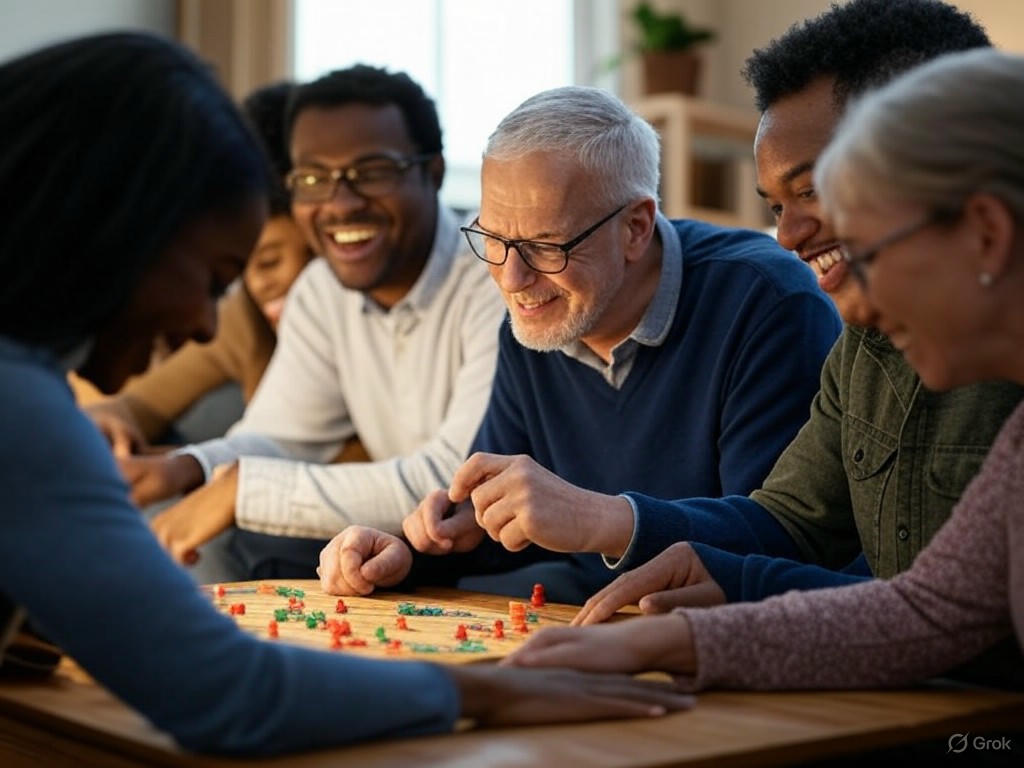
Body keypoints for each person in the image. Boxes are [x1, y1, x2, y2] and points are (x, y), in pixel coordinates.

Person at [0, 32, 693, 756]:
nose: (208, 325)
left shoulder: (502, 288)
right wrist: (485, 689)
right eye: (211, 280)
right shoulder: (24, 409)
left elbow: (460, 474)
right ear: (116, 229)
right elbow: (227, 694)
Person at [505, 48, 1024, 699]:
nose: (790, 240)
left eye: (871, 244)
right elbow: (931, 609)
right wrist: (672, 632)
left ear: (985, 232)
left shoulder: (768, 297)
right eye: (778, 206)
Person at [317, 85, 841, 603]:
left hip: (726, 626)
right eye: (493, 240)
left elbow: (781, 540)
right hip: (592, 609)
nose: (512, 278)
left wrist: (598, 518)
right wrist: (414, 550)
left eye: (544, 246)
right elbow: (509, 527)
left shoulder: (766, 302)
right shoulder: (536, 323)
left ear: (636, 227)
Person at [119, 65, 506, 578]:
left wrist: (241, 491)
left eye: (372, 172)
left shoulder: (498, 277)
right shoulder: (322, 288)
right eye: (312, 179)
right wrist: (182, 468)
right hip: (395, 541)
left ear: (432, 172)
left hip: (501, 553)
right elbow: (281, 437)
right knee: (192, 522)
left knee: (242, 533)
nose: (340, 204)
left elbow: (455, 480)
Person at [83, 82, 321, 451]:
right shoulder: (241, 321)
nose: (293, 279)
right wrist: (110, 426)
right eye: (266, 263)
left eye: (315, 259)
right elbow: (140, 406)